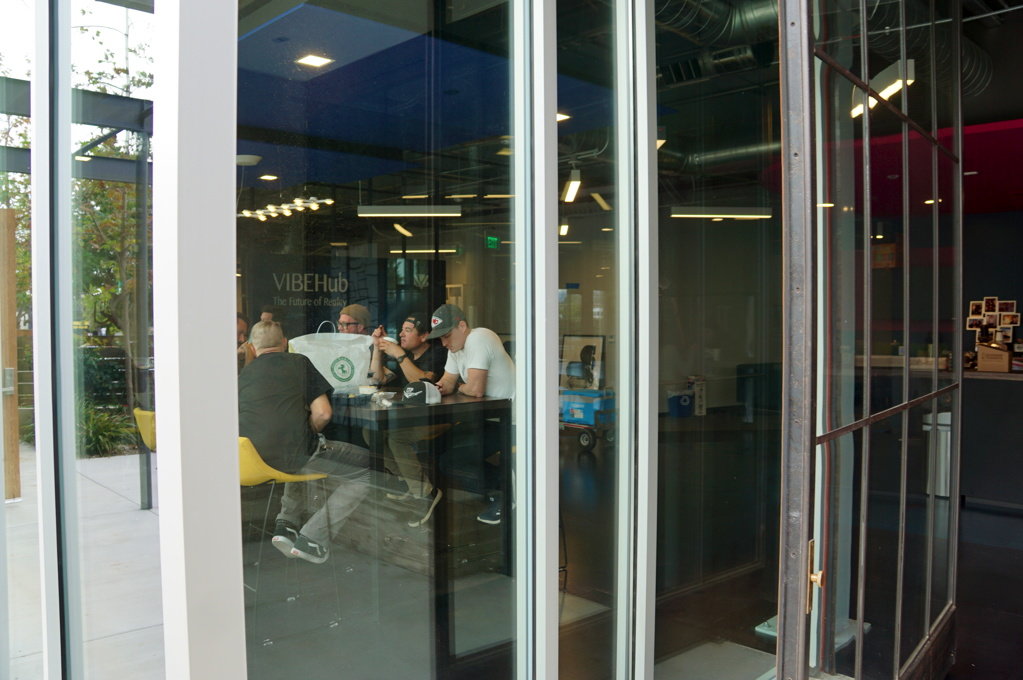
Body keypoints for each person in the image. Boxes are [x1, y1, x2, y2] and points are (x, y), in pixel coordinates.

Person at [238, 320, 371, 564]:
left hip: (253, 460)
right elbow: (324, 413)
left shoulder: (244, 374)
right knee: (369, 470)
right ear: (285, 343)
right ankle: (314, 537)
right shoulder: (299, 362)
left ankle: (286, 524)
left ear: (253, 348)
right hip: (293, 456)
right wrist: (305, 431)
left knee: (298, 454)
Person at [426, 304, 515, 524]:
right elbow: (448, 382)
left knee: (451, 460)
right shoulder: (456, 349)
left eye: (447, 336)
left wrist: (459, 386)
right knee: (434, 448)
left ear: (462, 326)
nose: (444, 343)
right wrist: (438, 388)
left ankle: (507, 494)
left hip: (511, 421)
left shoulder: (479, 338)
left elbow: (475, 389)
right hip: (487, 418)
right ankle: (499, 488)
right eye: (441, 338)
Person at [366, 314, 449, 525]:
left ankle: (426, 494)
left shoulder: (438, 353)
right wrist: (377, 348)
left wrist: (399, 354)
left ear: (424, 336)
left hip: (439, 417)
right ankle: (405, 480)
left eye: (408, 330)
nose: (401, 334)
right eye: (402, 329)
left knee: (397, 438)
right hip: (410, 418)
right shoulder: (406, 355)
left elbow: (423, 384)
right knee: (370, 430)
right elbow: (376, 379)